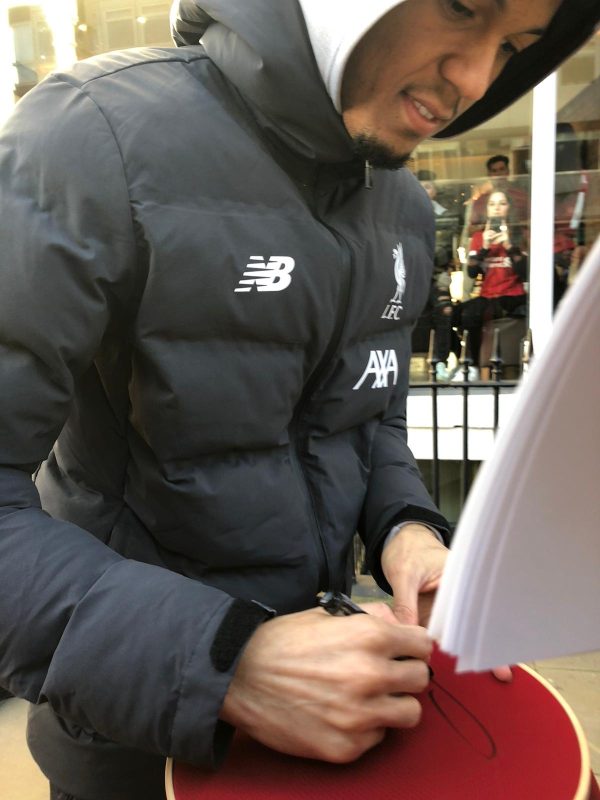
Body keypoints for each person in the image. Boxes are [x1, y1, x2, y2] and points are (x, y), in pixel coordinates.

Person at [0, 1, 598, 799]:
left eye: (514, 46)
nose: (478, 77)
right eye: (462, 7)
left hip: (340, 729)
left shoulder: (404, 206)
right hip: (133, 744)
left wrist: (409, 529)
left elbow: (369, 417)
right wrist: (225, 662)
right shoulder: (86, 139)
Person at [460, 190, 528, 375]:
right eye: (492, 204)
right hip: (487, 296)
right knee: (464, 314)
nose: (497, 208)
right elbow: (472, 272)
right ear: (487, 210)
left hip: (513, 296)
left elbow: (526, 273)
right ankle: (471, 366)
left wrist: (508, 245)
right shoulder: (478, 238)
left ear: (509, 208)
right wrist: (484, 247)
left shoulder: (520, 235)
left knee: (489, 311)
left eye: (502, 203)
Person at [469, 153, 530, 235]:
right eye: (494, 171)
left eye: (502, 169)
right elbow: (470, 230)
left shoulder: (522, 197)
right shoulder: (480, 201)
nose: (498, 174)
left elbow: (533, 222)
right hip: (488, 242)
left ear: (508, 171)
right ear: (489, 175)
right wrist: (486, 226)